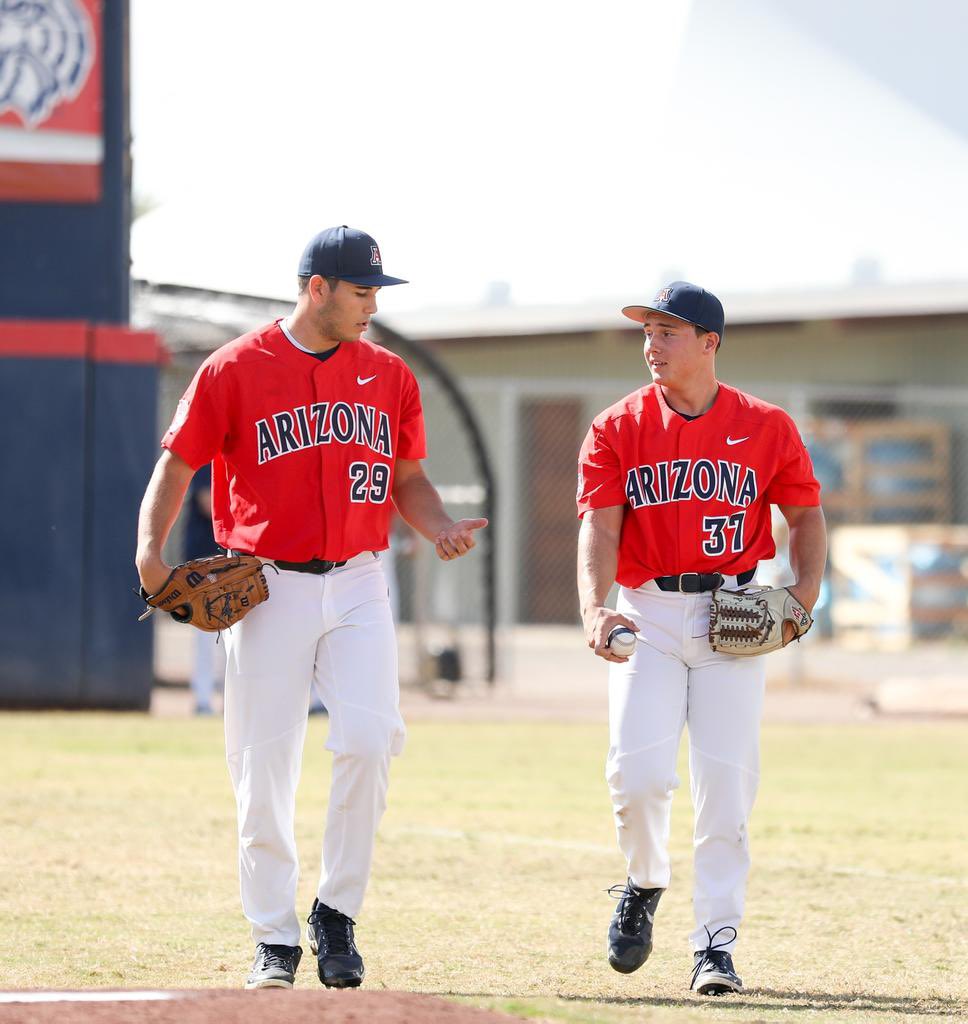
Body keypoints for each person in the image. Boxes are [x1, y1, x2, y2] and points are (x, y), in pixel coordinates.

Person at [135, 226, 487, 991]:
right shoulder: (234, 368)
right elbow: (177, 462)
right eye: (361, 291)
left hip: (360, 577)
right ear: (317, 288)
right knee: (262, 766)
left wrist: (440, 528)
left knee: (368, 738)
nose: (371, 305)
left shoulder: (389, 374)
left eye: (375, 292)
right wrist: (149, 554)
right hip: (265, 584)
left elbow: (410, 479)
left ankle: (336, 911)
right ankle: (273, 937)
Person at [576, 282, 826, 996]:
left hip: (732, 616)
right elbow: (600, 523)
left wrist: (803, 596)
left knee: (726, 791)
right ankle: (645, 880)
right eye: (647, 333)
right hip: (647, 612)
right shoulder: (617, 426)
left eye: (668, 333)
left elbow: (805, 516)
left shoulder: (766, 425)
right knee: (636, 777)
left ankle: (715, 945)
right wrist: (596, 608)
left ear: (710, 343)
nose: (652, 346)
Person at [180, 462, 224, 715]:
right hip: (204, 556)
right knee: (207, 631)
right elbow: (208, 502)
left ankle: (229, 699)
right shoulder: (209, 459)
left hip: (230, 558)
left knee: (234, 632)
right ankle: (203, 698)